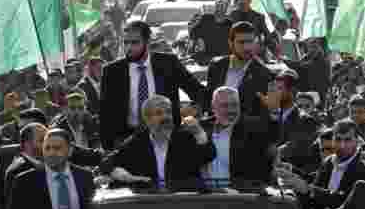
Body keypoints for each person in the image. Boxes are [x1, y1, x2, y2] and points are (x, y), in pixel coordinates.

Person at [99, 21, 207, 150]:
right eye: (125, 43)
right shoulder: (112, 71)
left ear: (147, 42)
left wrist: (203, 115)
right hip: (127, 142)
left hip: (167, 139)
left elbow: (196, 91)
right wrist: (109, 148)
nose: (129, 48)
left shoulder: (168, 64)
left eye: (135, 43)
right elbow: (105, 114)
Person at [104, 94, 215, 190]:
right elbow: (106, 164)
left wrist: (200, 133)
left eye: (168, 112)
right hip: (150, 205)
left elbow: (209, 154)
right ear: (147, 119)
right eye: (159, 113)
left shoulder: (184, 138)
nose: (166, 117)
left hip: (183, 203)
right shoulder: (137, 142)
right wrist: (127, 176)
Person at [206, 21, 275, 123]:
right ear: (230, 43)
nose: (247, 47)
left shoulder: (264, 74)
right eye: (241, 42)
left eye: (250, 42)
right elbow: (208, 100)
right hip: (216, 131)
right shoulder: (216, 66)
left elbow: (264, 117)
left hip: (244, 135)